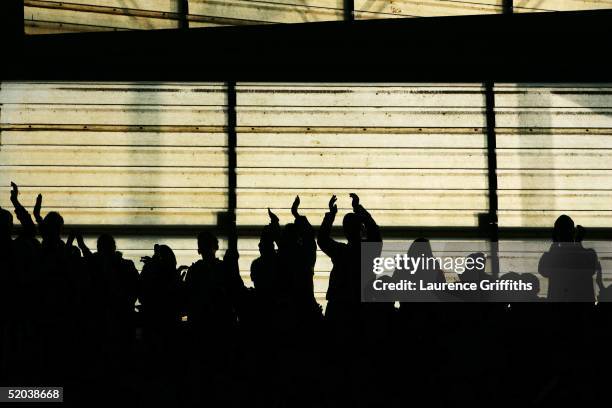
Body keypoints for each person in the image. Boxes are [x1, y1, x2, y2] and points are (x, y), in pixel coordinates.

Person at [538, 215, 599, 302]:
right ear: (573, 232)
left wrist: (555, 244)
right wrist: (578, 243)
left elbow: (543, 270)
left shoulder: (552, 256)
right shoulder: (589, 254)